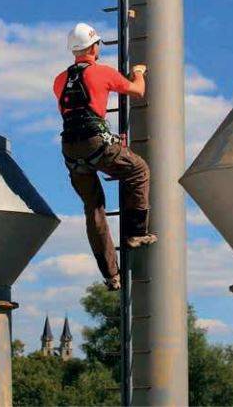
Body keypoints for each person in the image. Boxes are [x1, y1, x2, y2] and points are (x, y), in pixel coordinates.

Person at [53, 23, 157, 291]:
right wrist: (138, 72)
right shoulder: (102, 73)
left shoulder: (59, 81)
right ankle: (137, 233)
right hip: (96, 144)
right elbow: (137, 91)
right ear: (94, 47)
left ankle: (111, 275)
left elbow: (77, 112)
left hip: (71, 150)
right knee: (138, 171)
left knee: (94, 209)